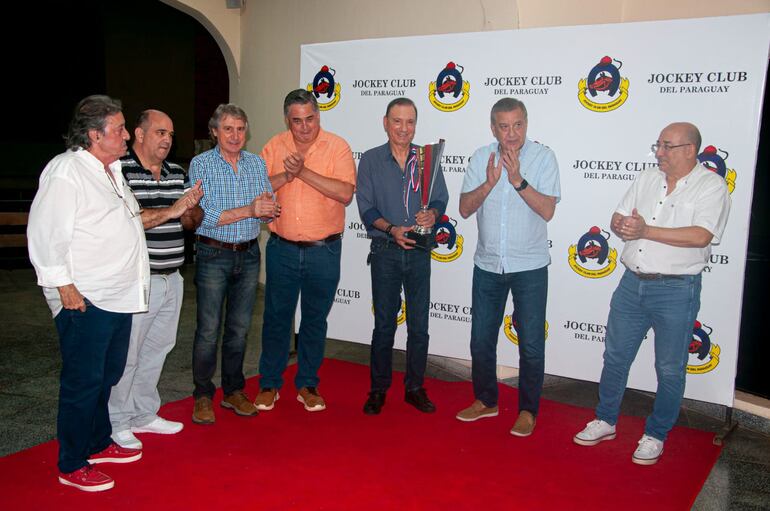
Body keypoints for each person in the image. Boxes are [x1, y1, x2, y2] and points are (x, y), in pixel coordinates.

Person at [573, 122, 730, 465]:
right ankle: (605, 419)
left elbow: (702, 236)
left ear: (690, 150)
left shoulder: (712, 186)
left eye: (667, 146)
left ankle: (656, 434)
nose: (658, 152)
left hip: (676, 289)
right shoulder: (646, 178)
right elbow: (619, 214)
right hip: (632, 283)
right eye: (658, 145)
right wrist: (620, 225)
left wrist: (646, 230)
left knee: (670, 368)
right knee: (615, 357)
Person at [28, 95, 149, 492]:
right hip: (86, 297)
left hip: (117, 294)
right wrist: (63, 285)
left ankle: (98, 441)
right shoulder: (66, 171)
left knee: (107, 375)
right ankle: (72, 462)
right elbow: (45, 234)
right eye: (119, 128)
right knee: (83, 381)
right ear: (95, 135)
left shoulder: (111, 168)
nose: (127, 134)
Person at [456, 97, 561, 438]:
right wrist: (489, 182)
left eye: (517, 125)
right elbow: (464, 209)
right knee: (480, 339)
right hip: (487, 264)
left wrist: (517, 179)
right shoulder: (480, 157)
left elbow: (547, 210)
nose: (511, 133)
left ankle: (528, 410)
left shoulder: (544, 158)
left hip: (529, 265)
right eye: (504, 126)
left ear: (526, 124)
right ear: (493, 128)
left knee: (530, 343)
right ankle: (486, 400)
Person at [255, 89, 356, 413]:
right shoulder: (273, 146)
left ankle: (308, 384)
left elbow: (345, 193)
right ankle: (269, 383)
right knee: (276, 319)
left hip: (323, 251)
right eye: (297, 121)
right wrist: (286, 174)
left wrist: (303, 173)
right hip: (282, 249)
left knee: (314, 320)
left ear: (318, 116)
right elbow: (256, 188)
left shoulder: (337, 146)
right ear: (288, 119)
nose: (304, 127)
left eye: (310, 119)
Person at [108, 110, 203, 448]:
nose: (167, 139)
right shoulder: (121, 172)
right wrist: (174, 209)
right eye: (160, 132)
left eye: (171, 134)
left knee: (158, 348)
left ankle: (143, 413)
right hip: (138, 279)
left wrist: (192, 207)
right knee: (129, 353)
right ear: (139, 134)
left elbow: (189, 223)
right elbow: (130, 220)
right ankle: (116, 421)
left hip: (172, 276)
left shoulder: (176, 172)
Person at [355, 97, 448, 415]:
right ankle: (378, 389)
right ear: (385, 123)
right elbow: (365, 208)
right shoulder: (369, 160)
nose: (404, 128)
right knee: (384, 325)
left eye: (410, 122)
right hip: (385, 250)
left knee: (419, 325)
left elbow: (440, 198)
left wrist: (433, 214)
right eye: (397, 121)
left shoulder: (427, 159)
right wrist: (392, 229)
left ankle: (415, 388)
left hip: (420, 252)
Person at [189, 104, 279, 425]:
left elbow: (265, 204)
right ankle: (202, 395)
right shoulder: (201, 164)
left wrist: (268, 210)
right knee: (209, 330)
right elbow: (206, 217)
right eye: (228, 129)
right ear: (214, 131)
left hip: (249, 252)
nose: (235, 135)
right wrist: (251, 209)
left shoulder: (256, 163)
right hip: (213, 254)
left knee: (240, 330)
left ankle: (233, 390)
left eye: (240, 129)